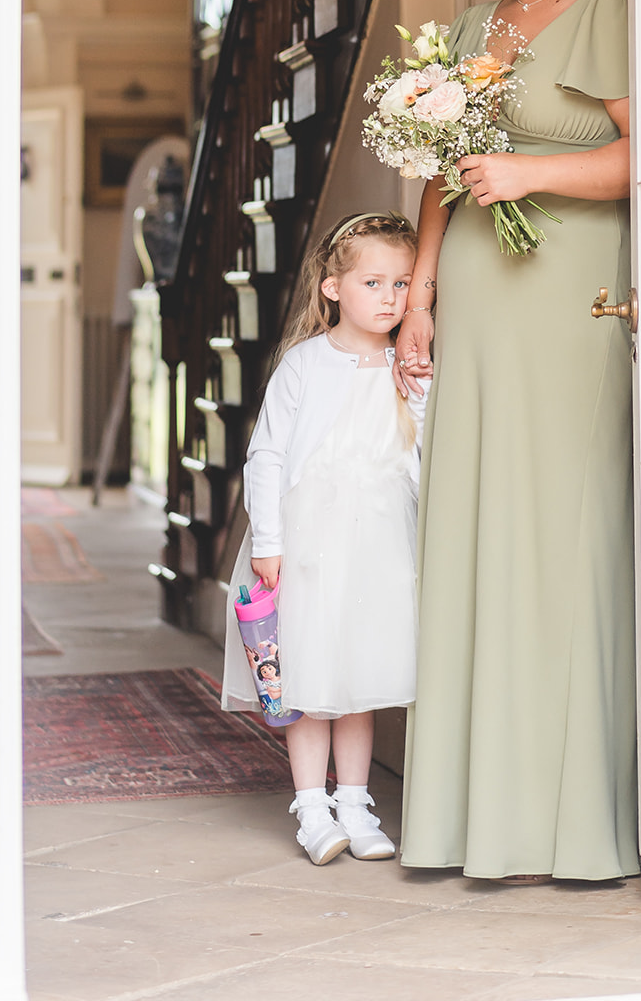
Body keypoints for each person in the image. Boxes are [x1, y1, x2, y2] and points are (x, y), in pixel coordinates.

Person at [396, 0, 638, 882]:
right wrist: (418, 293)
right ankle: (468, 819)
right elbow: (442, 174)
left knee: (560, 539)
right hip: (480, 312)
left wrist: (530, 172)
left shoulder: (612, 15)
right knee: (474, 535)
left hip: (569, 308)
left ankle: (576, 820)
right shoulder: (465, 30)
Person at [221, 212, 430, 866]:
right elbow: (268, 456)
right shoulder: (304, 363)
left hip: (378, 545)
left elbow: (423, 454)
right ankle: (312, 807)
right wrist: (268, 541)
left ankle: (356, 803)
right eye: (374, 282)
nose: (391, 297)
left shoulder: (411, 364)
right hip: (308, 544)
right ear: (335, 287)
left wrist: (419, 395)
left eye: (402, 283)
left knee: (358, 678)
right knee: (309, 679)